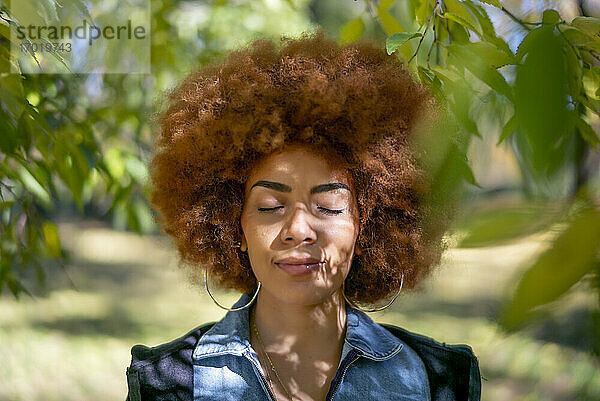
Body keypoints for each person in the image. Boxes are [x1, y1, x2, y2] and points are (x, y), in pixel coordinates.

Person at [125, 29, 481, 401]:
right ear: (234, 228)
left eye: (328, 207)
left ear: (368, 227)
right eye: (269, 207)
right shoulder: (167, 383)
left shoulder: (440, 381)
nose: (298, 230)